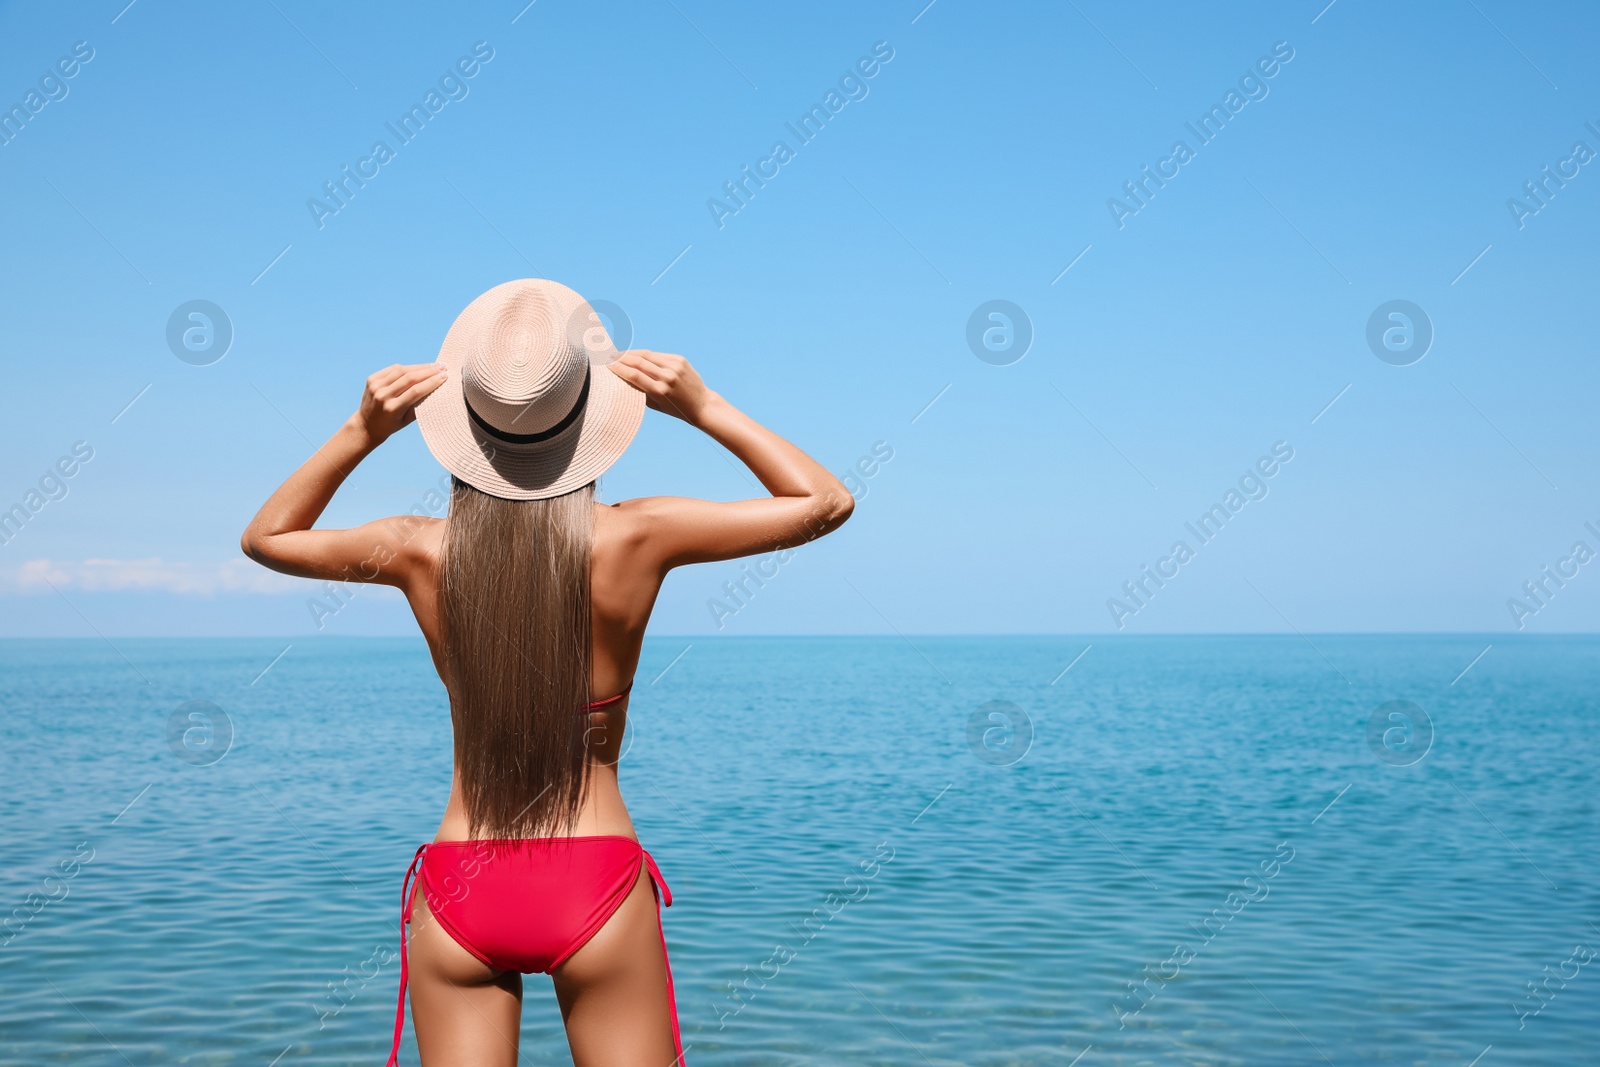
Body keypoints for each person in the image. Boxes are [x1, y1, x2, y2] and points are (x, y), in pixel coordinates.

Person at [241, 279, 854, 1066]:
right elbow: (824, 501)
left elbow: (267, 537)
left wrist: (360, 431)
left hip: (461, 879)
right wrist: (703, 406)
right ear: (591, 418)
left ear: (463, 425)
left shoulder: (418, 549)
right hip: (593, 872)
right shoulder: (639, 536)